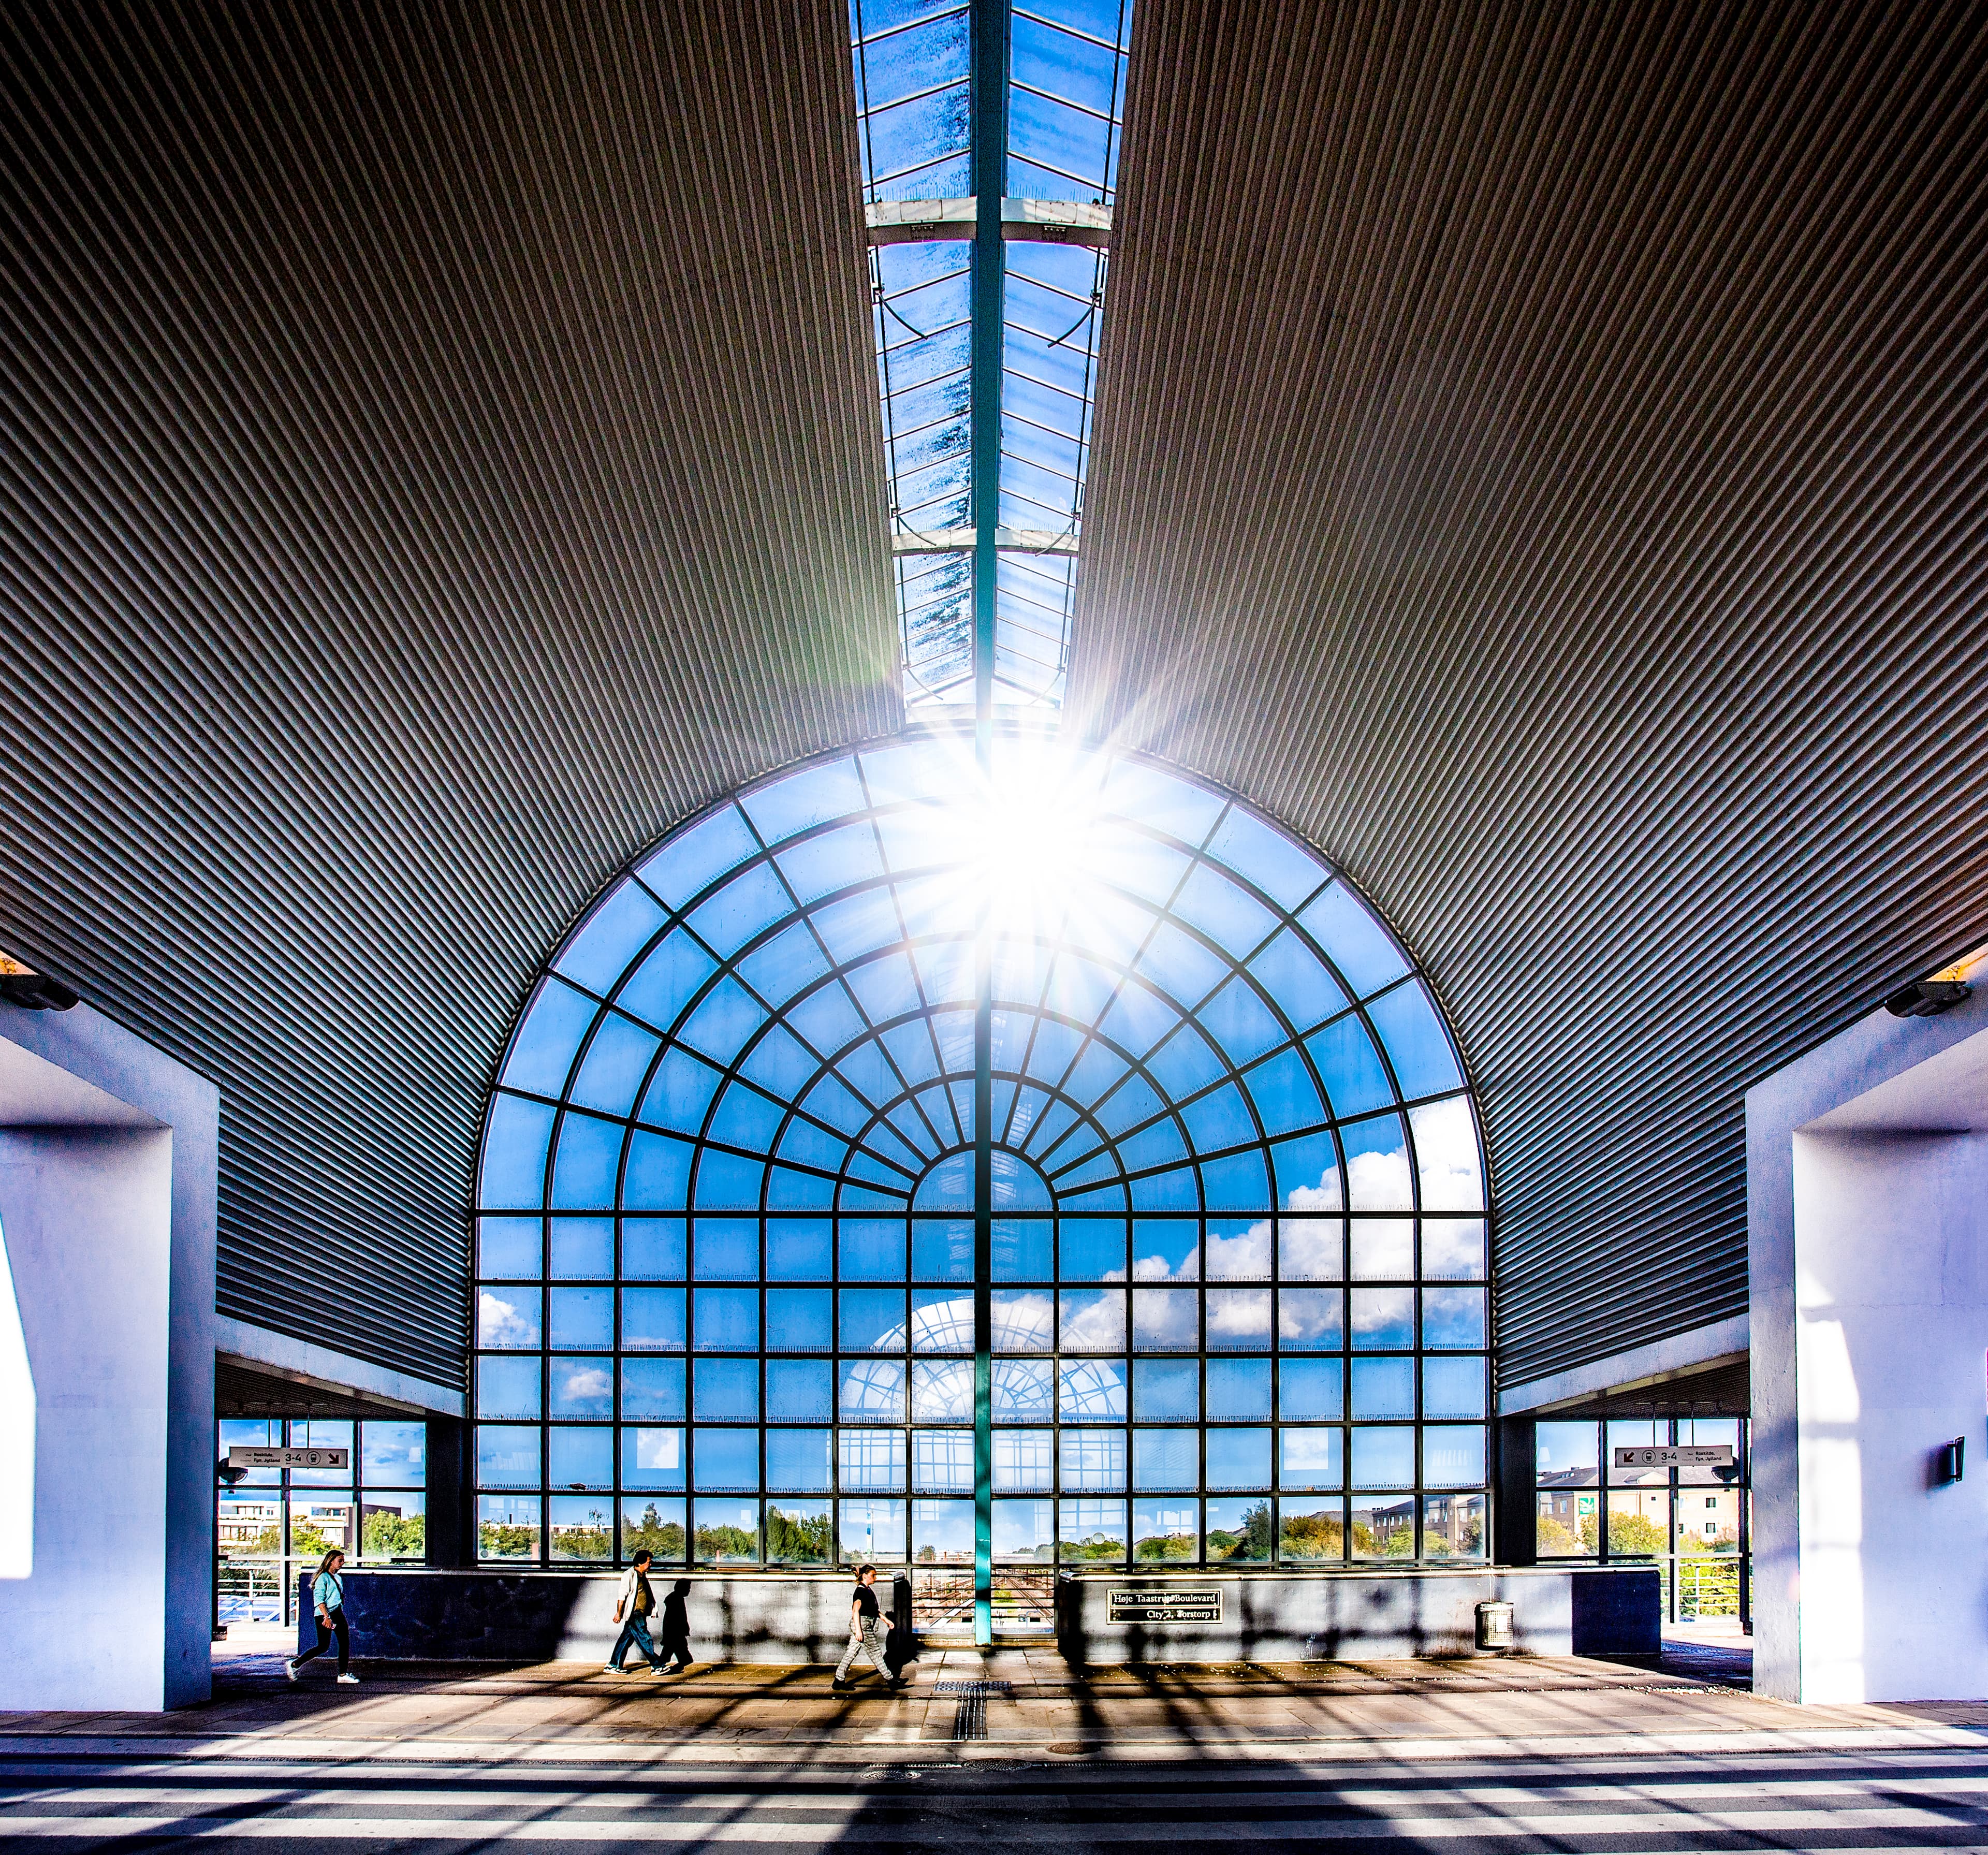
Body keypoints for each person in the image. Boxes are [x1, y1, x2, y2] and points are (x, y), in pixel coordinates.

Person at [286, 1549, 358, 1684]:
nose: (342, 1563)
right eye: (340, 1560)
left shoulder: (338, 1578)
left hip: (337, 1613)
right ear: (331, 1561)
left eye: (343, 1561)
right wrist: (327, 1617)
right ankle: (295, 1665)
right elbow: (319, 1600)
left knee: (344, 1642)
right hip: (325, 1615)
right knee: (323, 1646)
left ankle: (343, 1674)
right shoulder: (323, 1578)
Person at [832, 1564, 904, 1693]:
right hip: (863, 1626)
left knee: (851, 1652)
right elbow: (855, 1611)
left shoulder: (867, 1590)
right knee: (876, 1652)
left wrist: (886, 1620)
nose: (875, 1578)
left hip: (862, 1625)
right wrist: (859, 1631)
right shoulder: (861, 1591)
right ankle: (892, 1681)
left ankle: (839, 1680)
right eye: (873, 1575)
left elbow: (873, 1611)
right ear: (865, 1576)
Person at [604, 1550, 666, 1674]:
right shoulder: (630, 1574)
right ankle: (656, 1666)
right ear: (640, 1563)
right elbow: (622, 1595)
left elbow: (647, 1594)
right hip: (634, 1613)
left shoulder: (643, 1576)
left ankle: (613, 1665)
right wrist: (619, 1613)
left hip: (641, 1613)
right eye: (649, 1562)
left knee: (625, 1640)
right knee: (645, 1638)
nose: (651, 1565)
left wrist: (653, 1609)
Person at [657, 1578, 694, 1673]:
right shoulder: (676, 1599)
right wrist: (684, 1629)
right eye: (688, 1588)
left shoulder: (675, 1598)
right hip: (675, 1634)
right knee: (686, 1659)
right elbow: (676, 1618)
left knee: (667, 1656)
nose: (689, 1590)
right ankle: (662, 1668)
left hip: (674, 1634)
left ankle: (662, 1668)